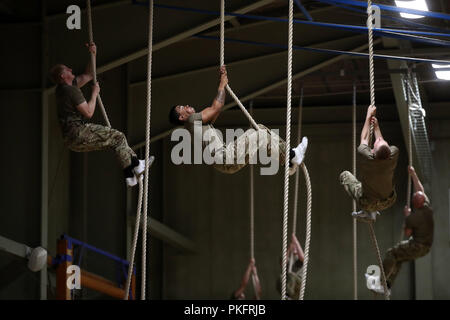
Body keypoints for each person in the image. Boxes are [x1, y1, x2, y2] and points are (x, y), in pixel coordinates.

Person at [168, 66, 308, 175]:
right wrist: (222, 86)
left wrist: (221, 84)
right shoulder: (191, 120)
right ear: (181, 117)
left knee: (259, 129)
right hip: (225, 158)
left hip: (225, 161)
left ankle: (289, 160)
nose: (186, 106)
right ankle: (292, 156)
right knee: (260, 135)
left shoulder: (195, 126)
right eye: (182, 107)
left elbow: (215, 112)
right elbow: (215, 107)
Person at [49, 42, 146, 187]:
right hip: (78, 132)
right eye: (67, 69)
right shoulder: (71, 91)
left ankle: (130, 176)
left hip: (71, 141)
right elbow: (88, 112)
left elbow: (88, 75)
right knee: (118, 137)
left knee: (114, 142)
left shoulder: (62, 90)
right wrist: (94, 94)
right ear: (63, 76)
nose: (70, 69)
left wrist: (93, 54)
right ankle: (135, 166)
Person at [377, 166, 434, 296]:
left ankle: (381, 283)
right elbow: (421, 190)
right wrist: (413, 174)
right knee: (398, 258)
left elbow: (407, 233)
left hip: (417, 246)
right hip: (425, 248)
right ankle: (388, 285)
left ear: (415, 204)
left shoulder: (412, 218)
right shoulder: (428, 209)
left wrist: (407, 217)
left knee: (391, 253)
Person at [340, 105, 399, 222]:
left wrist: (368, 115)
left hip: (368, 203)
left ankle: (368, 211)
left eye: (377, 142)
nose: (378, 139)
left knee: (345, 175)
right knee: (373, 188)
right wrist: (376, 128)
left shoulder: (367, 156)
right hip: (388, 201)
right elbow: (381, 146)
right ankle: (370, 213)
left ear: (372, 152)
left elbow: (364, 139)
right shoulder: (394, 153)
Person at [276, 233, 304, 300]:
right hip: (288, 283)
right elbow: (283, 263)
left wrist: (296, 242)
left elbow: (302, 258)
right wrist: (289, 249)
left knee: (292, 275)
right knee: (280, 278)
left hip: (298, 283)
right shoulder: (288, 257)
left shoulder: (299, 257)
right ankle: (285, 295)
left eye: (296, 248)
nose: (294, 249)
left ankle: (288, 295)